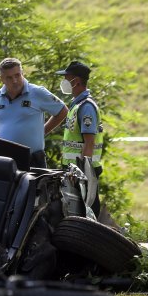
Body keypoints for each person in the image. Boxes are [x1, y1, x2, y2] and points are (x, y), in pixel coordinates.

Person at [0, 57, 68, 168]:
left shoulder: (37, 92)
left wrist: (43, 131)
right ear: (1, 79)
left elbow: (62, 111)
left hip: (32, 160)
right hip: (3, 160)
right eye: (9, 78)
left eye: (17, 75)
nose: (14, 80)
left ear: (22, 73)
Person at [56, 60, 104, 217]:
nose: (64, 82)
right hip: (74, 168)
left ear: (75, 81)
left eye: (66, 78)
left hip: (82, 169)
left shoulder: (86, 107)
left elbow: (89, 142)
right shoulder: (76, 104)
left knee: (88, 209)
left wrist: (83, 173)